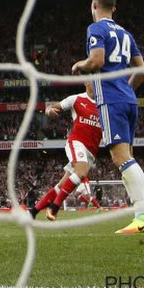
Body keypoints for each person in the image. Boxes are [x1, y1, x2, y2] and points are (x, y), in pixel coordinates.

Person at [71, 0, 144, 234]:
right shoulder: (126, 34)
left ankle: (142, 215)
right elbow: (141, 71)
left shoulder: (96, 28)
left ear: (95, 6)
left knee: (120, 158)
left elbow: (96, 61)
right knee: (127, 157)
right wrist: (128, 91)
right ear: (114, 8)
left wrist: (80, 64)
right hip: (128, 100)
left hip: (110, 100)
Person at [30, 82, 101, 220]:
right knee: (81, 173)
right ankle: (54, 208)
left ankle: (33, 211)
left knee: (61, 185)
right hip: (77, 142)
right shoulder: (76, 99)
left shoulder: (104, 105)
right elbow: (51, 108)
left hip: (91, 151)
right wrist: (49, 111)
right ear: (86, 82)